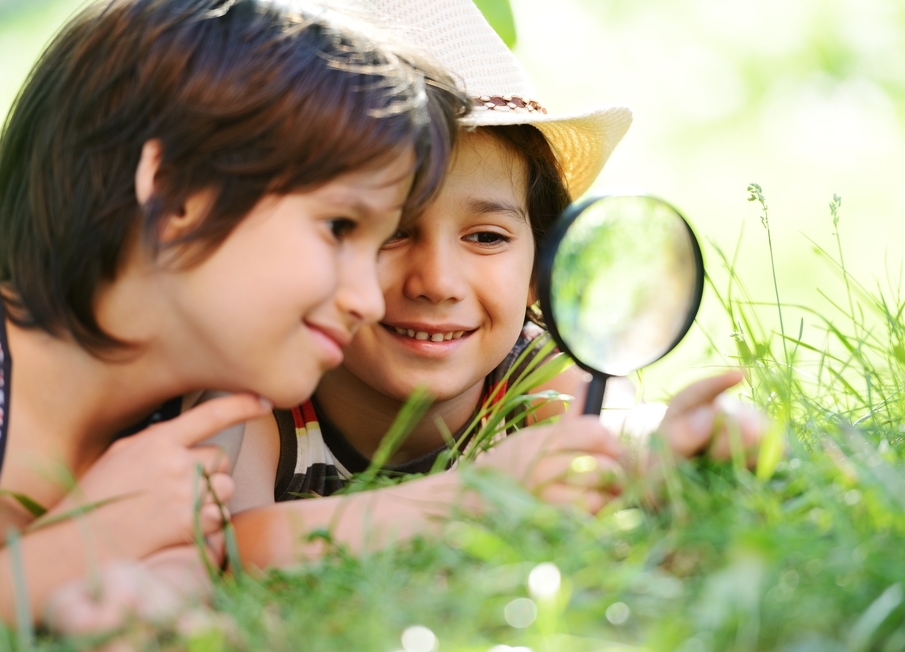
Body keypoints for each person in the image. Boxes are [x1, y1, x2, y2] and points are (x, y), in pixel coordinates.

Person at [0, 0, 470, 645]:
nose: (369, 301)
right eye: (339, 227)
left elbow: (178, 597)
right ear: (179, 195)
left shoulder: (200, 423)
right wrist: (77, 546)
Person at [225, 0, 766, 569]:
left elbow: (611, 438)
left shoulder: (535, 371)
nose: (437, 282)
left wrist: (670, 439)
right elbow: (233, 549)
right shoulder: (262, 385)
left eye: (486, 237)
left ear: (539, 270)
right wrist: (476, 495)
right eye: (391, 231)